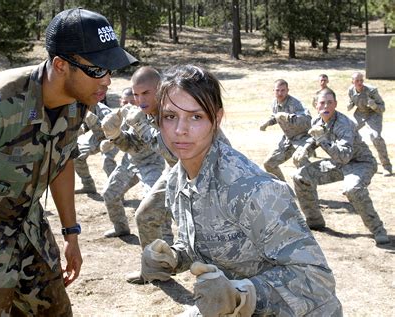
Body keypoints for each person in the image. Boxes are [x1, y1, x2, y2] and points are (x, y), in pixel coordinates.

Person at [0, 8, 137, 316]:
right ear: (61, 65)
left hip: (29, 229)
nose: (107, 82)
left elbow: (61, 162)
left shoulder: (78, 102)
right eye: (98, 70)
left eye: (110, 70)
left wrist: (71, 232)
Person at [140, 65, 342, 316]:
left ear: (217, 118)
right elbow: (205, 245)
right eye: (170, 116)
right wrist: (173, 257)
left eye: (196, 117)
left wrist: (241, 294)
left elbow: (317, 281)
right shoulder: (177, 182)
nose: (180, 130)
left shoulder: (251, 189)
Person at [292, 88, 390, 245]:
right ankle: (314, 219)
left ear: (335, 104)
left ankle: (378, 229)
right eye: (322, 103)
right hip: (337, 163)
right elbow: (313, 138)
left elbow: (344, 156)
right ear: (316, 105)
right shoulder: (317, 121)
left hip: (360, 163)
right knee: (300, 177)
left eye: (330, 103)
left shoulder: (343, 124)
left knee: (353, 189)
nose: (326, 106)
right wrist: (305, 150)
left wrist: (322, 138)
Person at [100, 69, 166, 238]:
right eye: (136, 95)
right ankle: (120, 227)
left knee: (153, 203)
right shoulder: (135, 113)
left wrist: (135, 127)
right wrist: (114, 135)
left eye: (145, 93)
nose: (139, 100)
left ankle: (166, 241)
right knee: (110, 194)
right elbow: (131, 144)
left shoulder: (166, 115)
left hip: (152, 164)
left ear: (159, 90)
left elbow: (155, 144)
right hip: (130, 161)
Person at [259, 79, 312, 181]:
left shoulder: (296, 104)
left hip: (303, 139)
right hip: (288, 139)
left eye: (283, 90)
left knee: (301, 163)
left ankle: (308, 195)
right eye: (277, 90)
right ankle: (284, 189)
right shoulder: (275, 103)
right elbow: (276, 117)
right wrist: (267, 123)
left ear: (288, 90)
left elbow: (307, 119)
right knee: (269, 164)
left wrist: (289, 117)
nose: (280, 93)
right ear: (273, 91)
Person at [348, 72, 392, 176]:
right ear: (352, 81)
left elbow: (382, 108)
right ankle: (350, 160)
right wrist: (350, 104)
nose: (360, 83)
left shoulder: (371, 90)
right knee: (348, 132)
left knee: (375, 137)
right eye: (357, 81)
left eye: (361, 80)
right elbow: (352, 101)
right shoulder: (351, 90)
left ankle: (387, 166)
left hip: (374, 114)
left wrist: (374, 105)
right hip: (360, 114)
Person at [74, 101, 119, 193]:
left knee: (107, 161)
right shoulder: (82, 107)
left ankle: (116, 193)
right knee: (78, 155)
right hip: (98, 138)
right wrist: (80, 129)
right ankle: (88, 185)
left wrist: (91, 118)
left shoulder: (104, 111)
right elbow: (85, 126)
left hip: (113, 138)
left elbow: (109, 131)